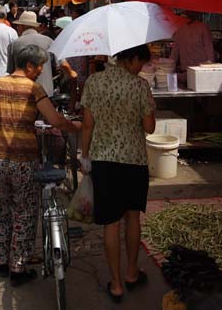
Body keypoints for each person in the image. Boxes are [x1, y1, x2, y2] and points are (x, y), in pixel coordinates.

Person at [0, 44, 81, 284]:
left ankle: (1, 261)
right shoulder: (34, 89)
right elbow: (54, 119)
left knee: (1, 210)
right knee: (24, 213)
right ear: (29, 66)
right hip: (23, 160)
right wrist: (76, 126)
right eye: (40, 66)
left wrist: (4, 119)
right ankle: (18, 268)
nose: (41, 70)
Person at [80, 44, 156, 302]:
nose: (140, 68)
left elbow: (88, 124)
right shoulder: (140, 86)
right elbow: (150, 128)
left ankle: (116, 283)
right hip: (134, 161)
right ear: (132, 58)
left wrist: (85, 155)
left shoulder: (94, 81)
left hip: (103, 160)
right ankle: (132, 272)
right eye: (141, 63)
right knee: (132, 217)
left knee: (111, 223)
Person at [8, 11, 55, 96]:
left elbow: (11, 70)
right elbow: (62, 65)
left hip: (22, 92)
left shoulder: (14, 44)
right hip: (45, 92)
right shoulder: (49, 41)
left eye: (18, 26)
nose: (17, 28)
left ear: (22, 26)